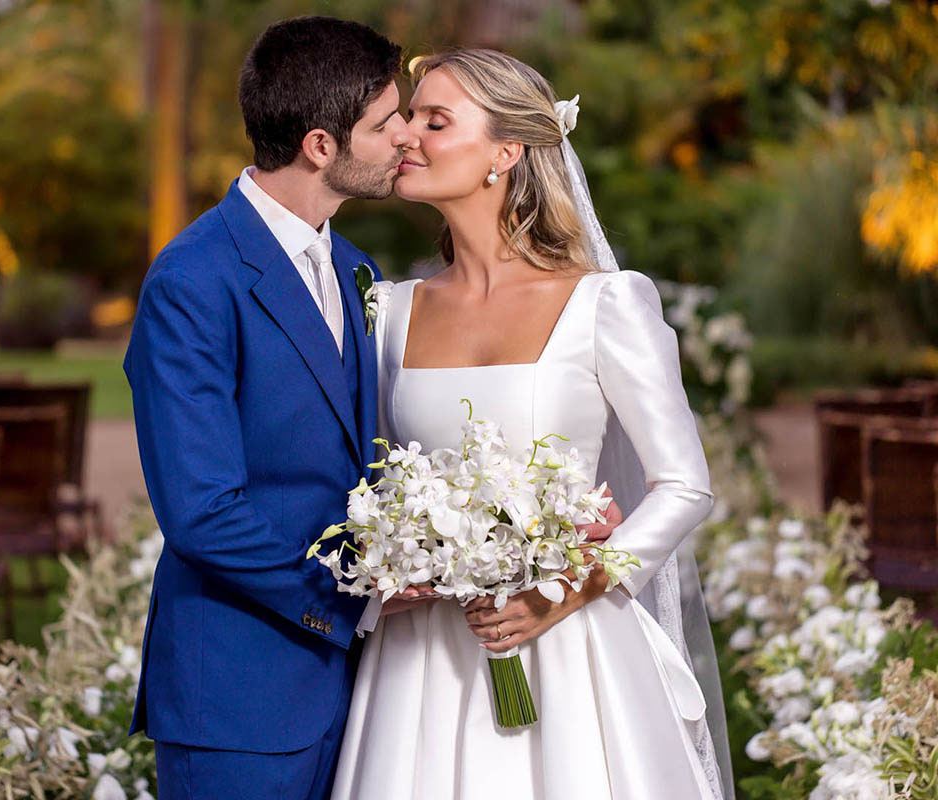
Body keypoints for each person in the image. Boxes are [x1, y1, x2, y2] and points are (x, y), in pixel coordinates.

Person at [329, 49, 732, 800]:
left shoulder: (606, 305)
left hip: (571, 648)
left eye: (435, 120)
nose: (406, 135)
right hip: (422, 665)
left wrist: (564, 590)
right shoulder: (389, 313)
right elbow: (369, 477)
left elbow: (684, 486)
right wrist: (391, 566)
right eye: (409, 116)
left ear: (505, 152)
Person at [124, 16, 422, 800]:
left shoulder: (358, 269)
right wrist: (351, 604)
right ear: (322, 145)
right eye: (386, 121)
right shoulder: (193, 280)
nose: (405, 138)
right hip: (239, 695)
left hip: (361, 697)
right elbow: (202, 511)